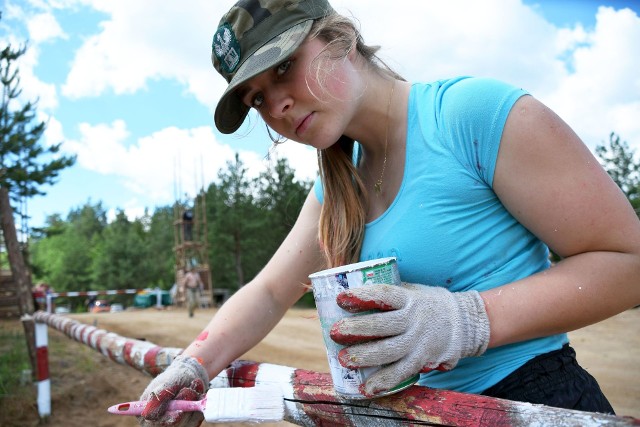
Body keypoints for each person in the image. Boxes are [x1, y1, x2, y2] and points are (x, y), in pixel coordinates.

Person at [137, 0, 640, 425]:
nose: (277, 107)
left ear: (342, 38)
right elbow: (270, 292)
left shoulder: (470, 113)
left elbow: (628, 262)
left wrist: (464, 320)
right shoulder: (338, 186)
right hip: (430, 412)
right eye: (256, 99)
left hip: (536, 400)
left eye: (283, 67)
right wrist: (193, 365)